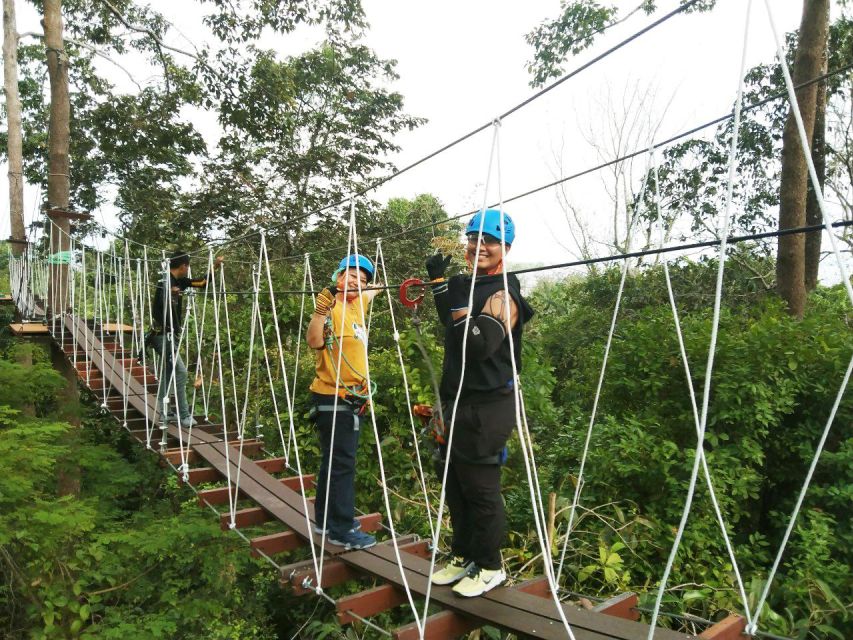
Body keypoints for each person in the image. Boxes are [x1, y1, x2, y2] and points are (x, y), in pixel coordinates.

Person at [426, 209, 534, 598]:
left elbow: (478, 345)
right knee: (454, 483)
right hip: (457, 399)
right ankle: (464, 554)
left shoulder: (505, 294)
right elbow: (452, 325)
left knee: (479, 487)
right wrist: (439, 285)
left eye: (489, 241)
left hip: (488, 406)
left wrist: (457, 303)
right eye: (474, 239)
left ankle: (490, 566)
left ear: (506, 248)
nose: (479, 247)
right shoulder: (470, 285)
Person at [306, 254, 381, 550]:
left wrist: (375, 286)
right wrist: (319, 312)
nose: (356, 283)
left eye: (361, 280)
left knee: (333, 461)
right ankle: (342, 528)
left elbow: (372, 291)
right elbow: (314, 341)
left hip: (351, 397)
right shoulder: (331, 307)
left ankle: (326, 521)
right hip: (335, 396)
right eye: (350, 276)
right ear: (338, 276)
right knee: (342, 464)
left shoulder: (357, 303)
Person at [151, 250, 223, 428]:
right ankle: (184, 415)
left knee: (168, 373)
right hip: (161, 336)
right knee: (181, 372)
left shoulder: (180, 282)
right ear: (183, 266)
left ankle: (165, 412)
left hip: (170, 335)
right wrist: (170, 294)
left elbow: (201, 283)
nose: (187, 269)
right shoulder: (164, 281)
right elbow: (157, 306)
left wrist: (214, 267)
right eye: (187, 266)